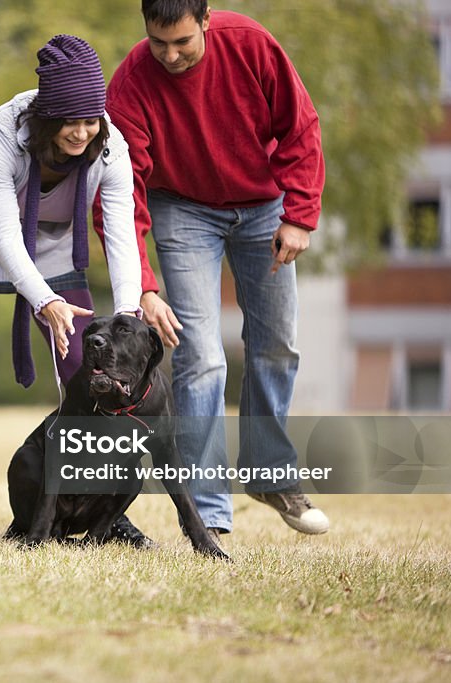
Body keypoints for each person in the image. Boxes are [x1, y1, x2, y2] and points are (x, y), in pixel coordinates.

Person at [94, 0, 330, 541]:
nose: (171, 56)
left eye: (183, 42)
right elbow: (119, 192)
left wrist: (299, 215)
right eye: (159, 44)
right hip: (181, 207)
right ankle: (209, 515)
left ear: (205, 21)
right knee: (199, 356)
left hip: (264, 204)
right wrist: (144, 287)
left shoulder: (250, 44)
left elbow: (301, 128)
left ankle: (270, 475)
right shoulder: (132, 80)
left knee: (275, 343)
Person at [0, 34, 145, 539]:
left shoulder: (111, 150)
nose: (81, 132)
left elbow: (119, 234)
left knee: (88, 369)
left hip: (50, 248)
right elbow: (5, 234)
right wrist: (43, 300)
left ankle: (104, 511)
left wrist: (129, 312)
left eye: (90, 120)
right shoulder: (2, 135)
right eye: (70, 121)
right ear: (48, 117)